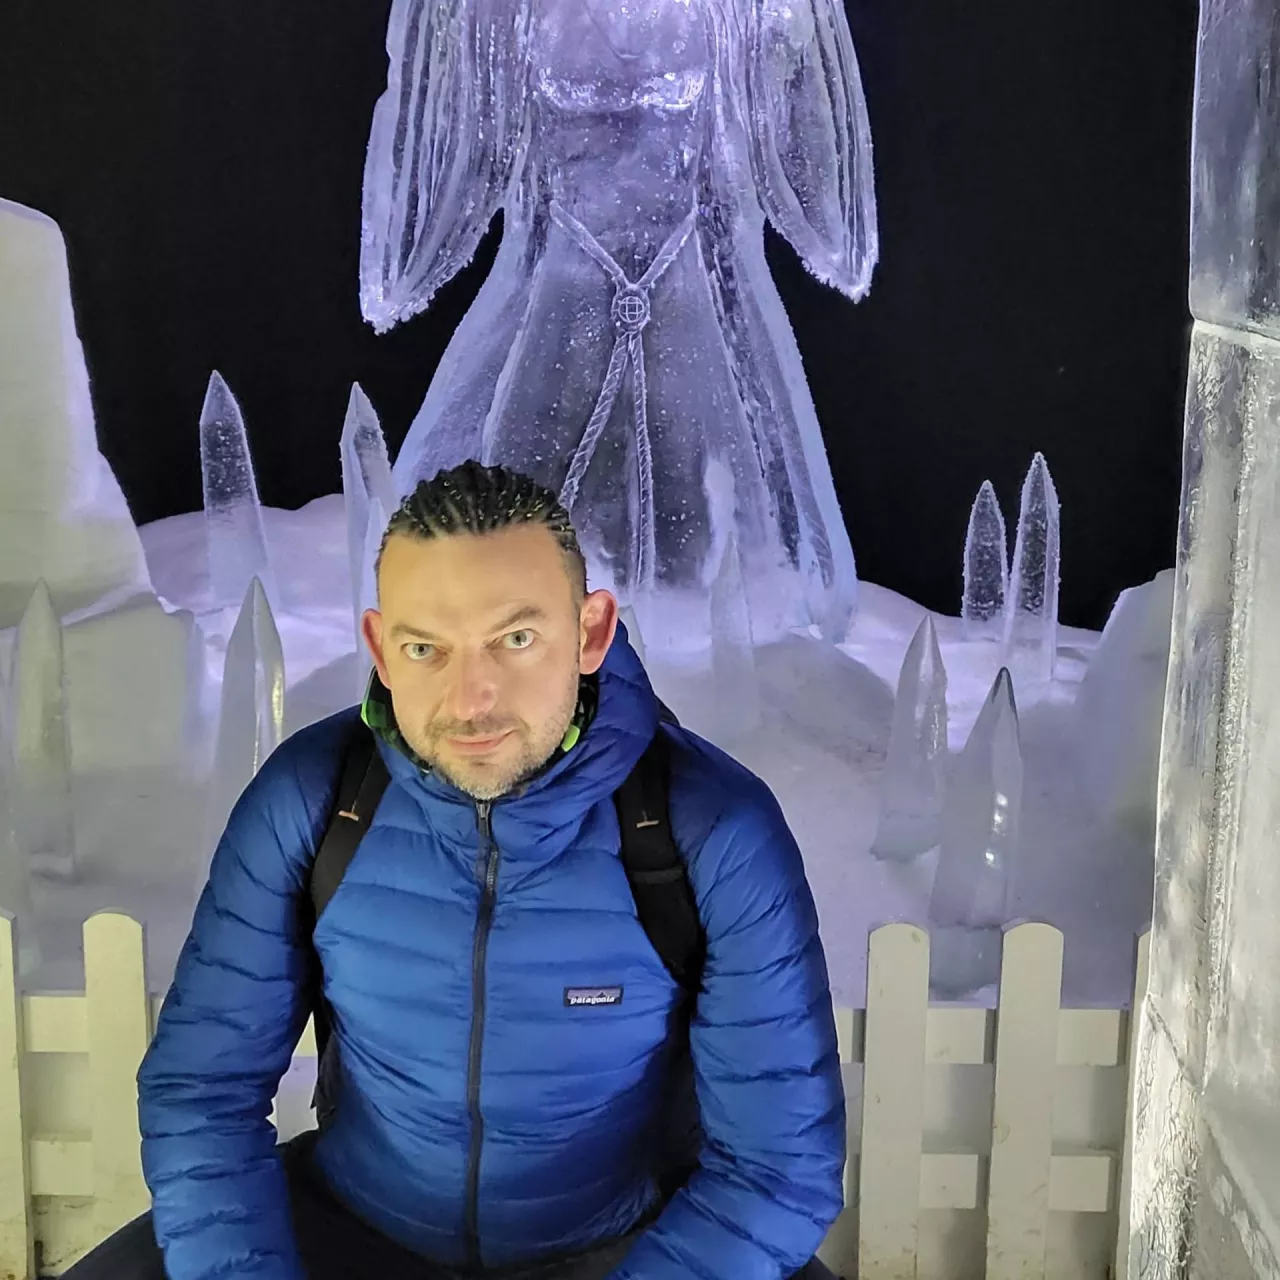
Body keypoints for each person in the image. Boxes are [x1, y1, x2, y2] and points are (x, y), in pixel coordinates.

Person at [66, 462, 845, 1280]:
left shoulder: (709, 826)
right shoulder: (316, 798)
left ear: (590, 633)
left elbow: (776, 1171)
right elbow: (204, 1091)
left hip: (629, 1248)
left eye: (516, 640)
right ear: (380, 649)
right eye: (425, 649)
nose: (472, 700)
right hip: (355, 1232)